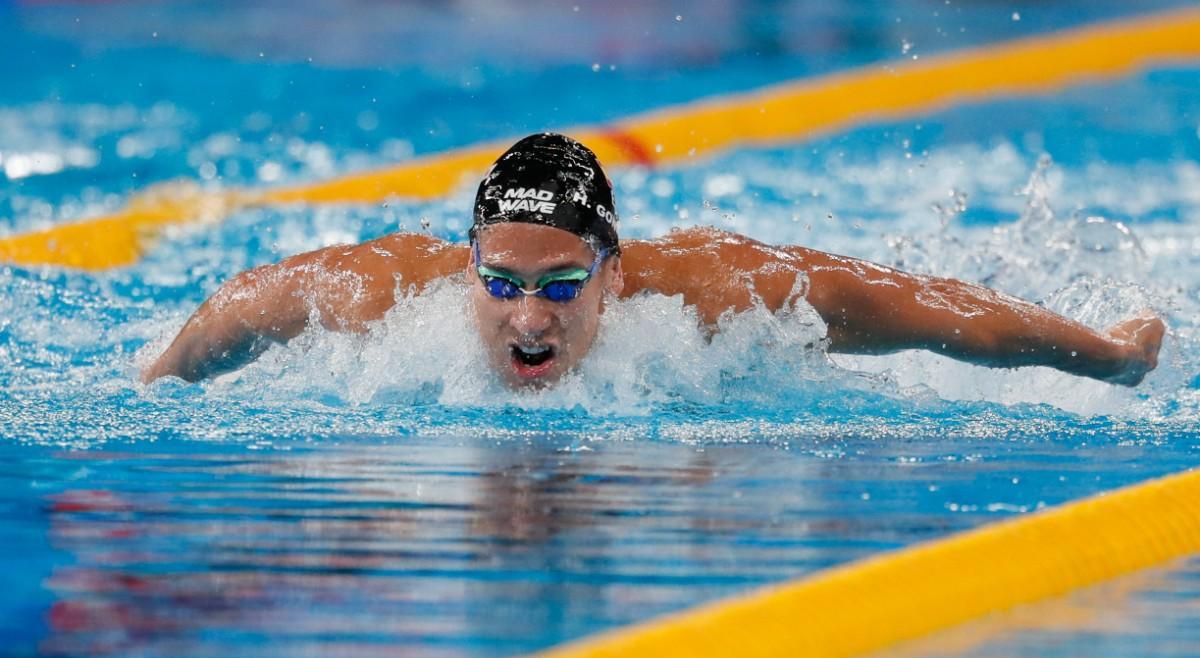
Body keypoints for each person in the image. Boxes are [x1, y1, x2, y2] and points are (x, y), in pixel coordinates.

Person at [141, 133, 1164, 388]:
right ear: (466, 267)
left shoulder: (724, 296)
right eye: (499, 284)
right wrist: (149, 383)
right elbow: (235, 310)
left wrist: (1110, 357)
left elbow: (940, 312)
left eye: (560, 286)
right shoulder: (370, 296)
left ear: (615, 272)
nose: (526, 319)